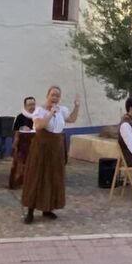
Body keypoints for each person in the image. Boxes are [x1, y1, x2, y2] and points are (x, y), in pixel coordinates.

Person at [22, 85, 80, 224]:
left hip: (56, 146)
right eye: (53, 95)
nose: (55, 98)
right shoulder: (39, 110)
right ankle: (30, 210)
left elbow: (71, 119)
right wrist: (50, 113)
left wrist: (76, 106)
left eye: (57, 96)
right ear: (48, 95)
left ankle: (47, 208)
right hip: (41, 146)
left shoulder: (62, 110)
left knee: (52, 176)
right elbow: (39, 125)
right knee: (37, 176)